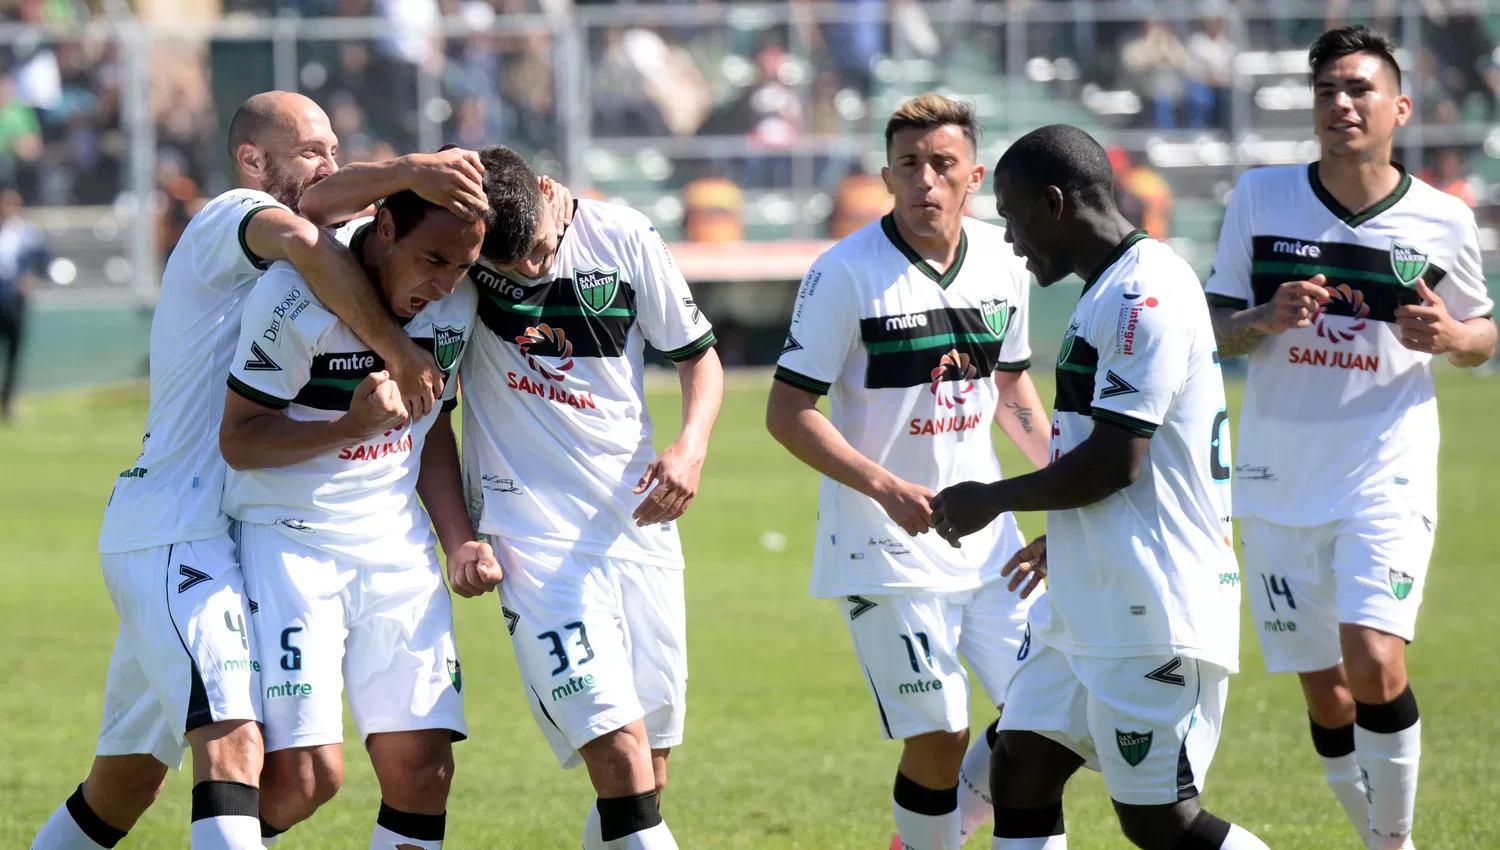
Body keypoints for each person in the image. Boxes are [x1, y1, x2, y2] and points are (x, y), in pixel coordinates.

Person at [27, 91, 469, 850]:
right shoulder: (231, 215)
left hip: (218, 534)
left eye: (335, 148)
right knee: (236, 749)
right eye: (310, 153)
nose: (330, 168)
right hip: (177, 531)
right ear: (252, 160)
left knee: (124, 786)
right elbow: (303, 234)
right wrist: (398, 347)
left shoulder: (328, 251)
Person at [930, 123, 1271, 850]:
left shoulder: (1142, 294)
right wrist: (1069, 538)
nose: (1012, 241)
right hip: (1095, 596)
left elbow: (1117, 462)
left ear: (1054, 204)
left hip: (1152, 603)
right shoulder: (1108, 288)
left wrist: (989, 498)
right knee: (1018, 765)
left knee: (1159, 821)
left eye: (1015, 218)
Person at [1204, 26, 1496, 850]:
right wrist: (1263, 317)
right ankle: (1371, 829)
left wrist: (1450, 335)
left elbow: (1482, 335)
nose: (1341, 103)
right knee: (1326, 693)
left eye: (1359, 89)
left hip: (1385, 469)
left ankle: (1391, 844)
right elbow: (1216, 329)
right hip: (1276, 477)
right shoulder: (1260, 197)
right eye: (1328, 90)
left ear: (1399, 107)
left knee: (1374, 661)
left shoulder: (1442, 220)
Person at [765, 94, 1049, 850]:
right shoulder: (843, 273)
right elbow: (787, 411)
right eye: (909, 165)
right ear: (886, 177)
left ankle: (934, 834)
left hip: (988, 544)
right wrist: (884, 487)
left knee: (1049, 716)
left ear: (974, 176)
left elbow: (1012, 388)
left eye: (942, 164)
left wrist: (1063, 482)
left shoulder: (1002, 260)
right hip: (883, 547)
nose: (926, 179)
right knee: (940, 733)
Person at [459, 145, 722, 850]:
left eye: (540, 252)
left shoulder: (625, 237)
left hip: (637, 525)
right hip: (531, 537)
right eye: (510, 268)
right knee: (619, 755)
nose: (532, 273)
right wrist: (459, 534)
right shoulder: (458, 256)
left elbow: (699, 356)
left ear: (550, 191)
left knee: (650, 768)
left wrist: (688, 448)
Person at [218, 189, 492, 850]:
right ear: (385, 227)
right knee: (306, 780)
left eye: (462, 265)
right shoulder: (292, 297)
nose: (446, 281)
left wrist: (458, 540)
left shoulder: (456, 299)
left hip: (397, 551)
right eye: (433, 258)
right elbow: (241, 441)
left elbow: (431, 428)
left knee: (424, 773)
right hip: (291, 547)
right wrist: (350, 426)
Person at [0, 186, 46, 420]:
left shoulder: (28, 234)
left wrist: (32, 278)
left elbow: (43, 259)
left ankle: (7, 403)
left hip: (14, 300)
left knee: (14, 354)